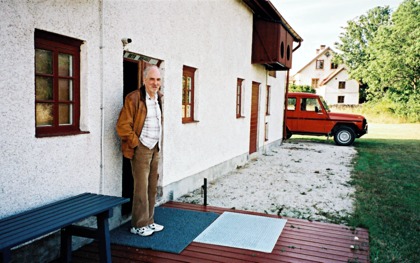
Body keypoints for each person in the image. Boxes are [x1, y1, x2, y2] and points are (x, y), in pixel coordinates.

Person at [116, 65, 164, 236]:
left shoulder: (158, 98)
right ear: (144, 80)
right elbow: (122, 126)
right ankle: (138, 225)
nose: (155, 83)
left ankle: (149, 221)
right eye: (152, 79)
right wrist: (136, 143)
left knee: (152, 187)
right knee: (141, 188)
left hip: (155, 148)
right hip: (141, 148)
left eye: (158, 79)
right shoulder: (134, 98)